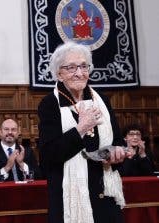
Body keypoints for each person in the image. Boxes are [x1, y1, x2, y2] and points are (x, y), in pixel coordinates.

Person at [37, 41, 133, 223]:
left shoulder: (101, 100)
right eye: (71, 68)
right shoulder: (50, 104)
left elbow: (118, 141)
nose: (79, 73)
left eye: (83, 66)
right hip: (70, 198)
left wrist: (118, 153)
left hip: (105, 195)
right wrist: (81, 128)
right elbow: (48, 156)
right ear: (59, 73)